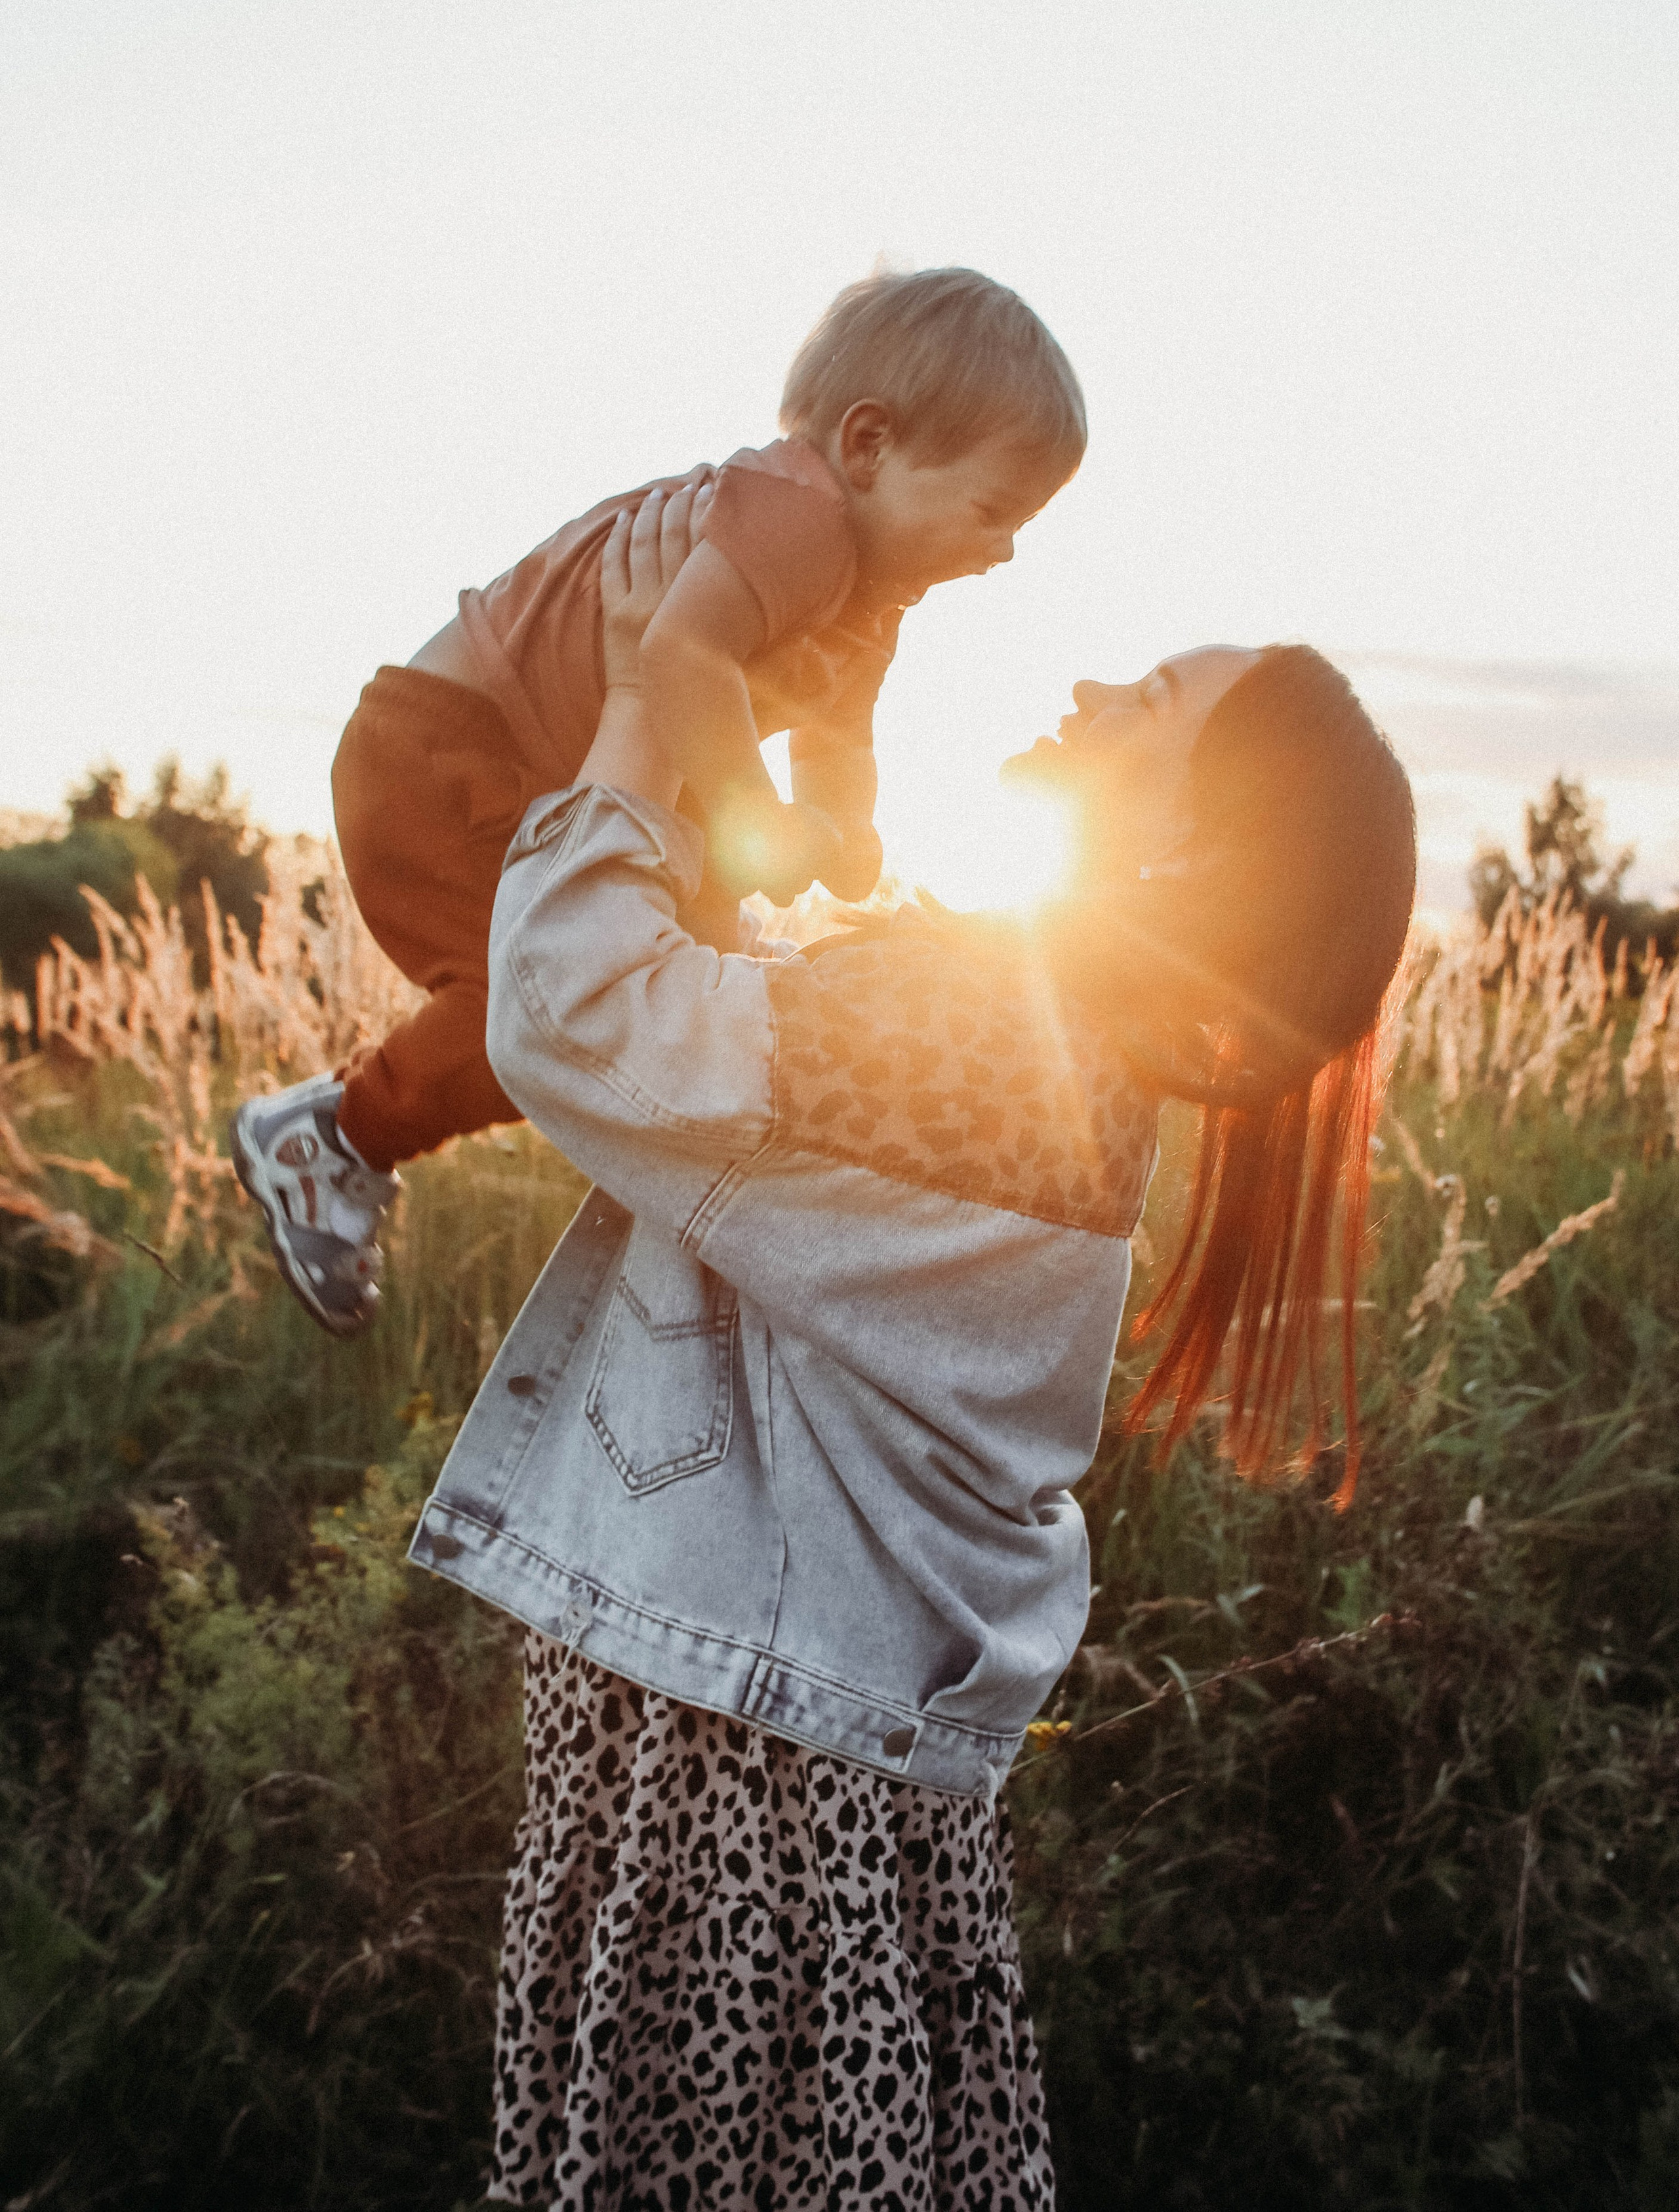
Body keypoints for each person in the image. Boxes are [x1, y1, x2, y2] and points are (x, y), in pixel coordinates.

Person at [405, 499, 1417, 2207]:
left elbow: (578, 1012)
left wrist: (662, 689)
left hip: (736, 1764)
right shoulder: (1025, 1032)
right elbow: (741, 996)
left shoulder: (989, 1033)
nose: (1099, 683)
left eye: (1156, 701)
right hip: (788, 1733)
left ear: (1189, 842)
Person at [228, 268, 1083, 1338]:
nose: (1004, 551)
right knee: (547, 1002)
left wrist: (848, 835)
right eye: (994, 510)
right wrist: (758, 823)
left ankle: (703, 1229)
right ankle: (333, 1134)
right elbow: (681, 654)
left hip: (567, 781)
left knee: (683, 994)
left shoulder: (872, 600)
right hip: (447, 751)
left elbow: (841, 735)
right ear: (869, 447)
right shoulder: (796, 517)